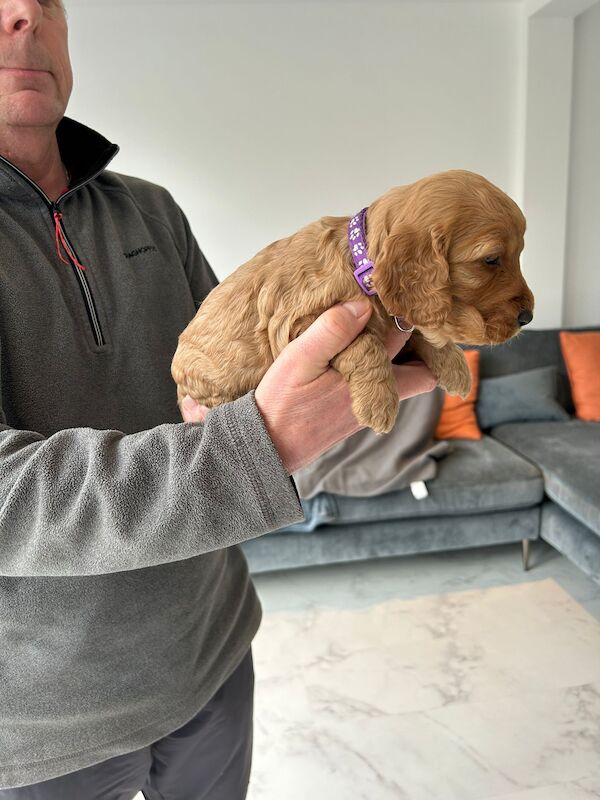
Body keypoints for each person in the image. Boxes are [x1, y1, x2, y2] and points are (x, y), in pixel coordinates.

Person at [0, 1, 437, 798]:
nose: (26, 14)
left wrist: (374, 309)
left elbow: (221, 387)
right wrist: (261, 446)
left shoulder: (152, 210)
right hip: (38, 730)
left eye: (46, 0)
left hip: (213, 652)